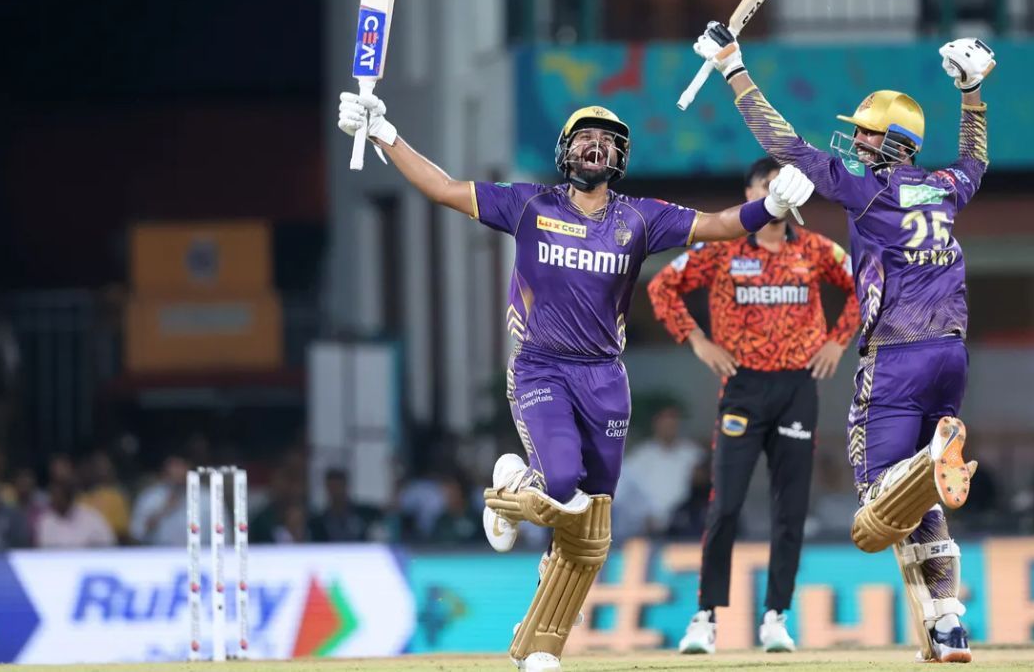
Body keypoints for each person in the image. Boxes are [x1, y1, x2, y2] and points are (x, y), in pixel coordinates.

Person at [337, 95, 814, 672]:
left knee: (590, 530)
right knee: (562, 482)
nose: (597, 145)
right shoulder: (528, 205)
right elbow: (442, 188)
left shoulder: (639, 217)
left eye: (608, 140)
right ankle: (512, 492)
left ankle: (540, 642)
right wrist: (386, 133)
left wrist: (772, 206)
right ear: (567, 150)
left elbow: (716, 225)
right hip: (542, 367)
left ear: (620, 156)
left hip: (606, 380)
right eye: (586, 136)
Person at [692, 23, 995, 663]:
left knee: (877, 498)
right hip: (952, 354)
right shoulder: (944, 187)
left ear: (895, 144)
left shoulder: (869, 188)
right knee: (918, 507)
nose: (856, 141)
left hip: (895, 354)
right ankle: (946, 624)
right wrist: (971, 93)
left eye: (866, 133)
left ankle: (927, 463)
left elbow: (783, 144)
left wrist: (732, 68)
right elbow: (975, 161)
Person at [647, 155, 860, 653]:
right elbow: (662, 287)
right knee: (727, 506)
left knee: (791, 509)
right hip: (742, 388)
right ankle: (705, 618)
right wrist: (698, 341)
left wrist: (837, 341)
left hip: (797, 389)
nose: (779, 191)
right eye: (768, 184)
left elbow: (864, 287)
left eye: (786, 183)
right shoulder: (721, 249)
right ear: (749, 196)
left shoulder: (815, 249)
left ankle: (776, 617)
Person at [618, 404, 704, 536]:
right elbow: (626, 490)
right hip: (646, 525)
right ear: (656, 424)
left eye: (673, 424)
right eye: (665, 423)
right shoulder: (641, 455)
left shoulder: (693, 454)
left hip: (684, 524)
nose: (669, 428)